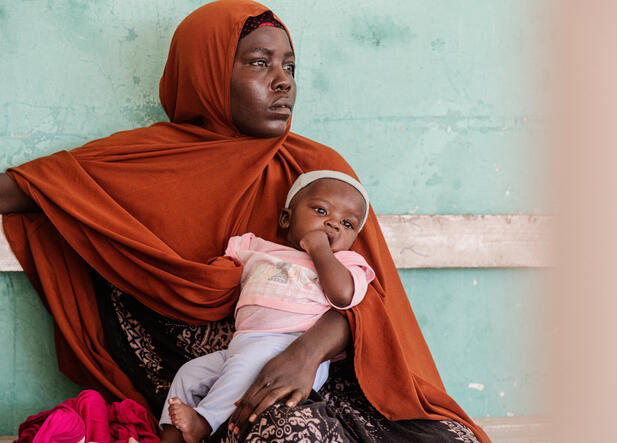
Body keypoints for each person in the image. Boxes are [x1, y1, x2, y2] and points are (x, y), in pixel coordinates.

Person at [1, 1, 490, 442]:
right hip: (215, 390)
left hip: (322, 373)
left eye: (290, 67)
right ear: (207, 72)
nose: (284, 81)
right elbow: (36, 190)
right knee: (284, 432)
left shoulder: (316, 173)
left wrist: (305, 354)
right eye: (260, 63)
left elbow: (364, 298)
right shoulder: (141, 162)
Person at [160, 171, 375, 443]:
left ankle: (204, 421)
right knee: (189, 373)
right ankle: (169, 437)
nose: (333, 224)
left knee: (244, 369)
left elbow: (343, 296)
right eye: (321, 210)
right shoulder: (259, 248)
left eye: (347, 223)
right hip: (242, 344)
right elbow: (220, 268)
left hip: (289, 348)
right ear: (286, 218)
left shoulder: (346, 263)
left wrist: (319, 249)